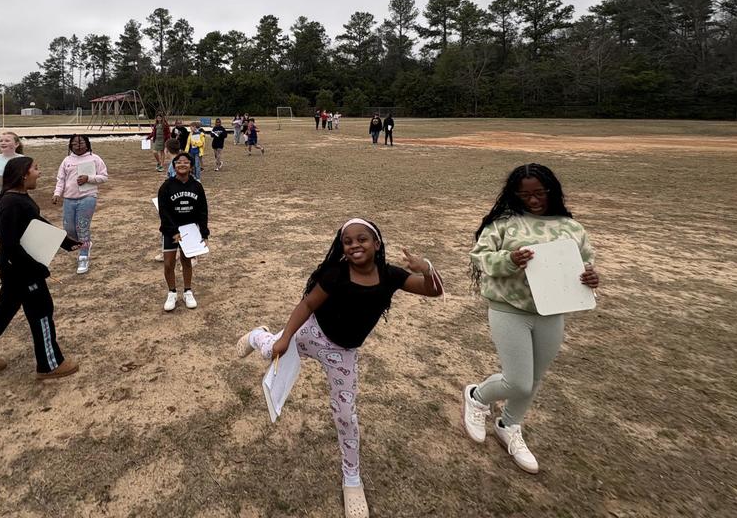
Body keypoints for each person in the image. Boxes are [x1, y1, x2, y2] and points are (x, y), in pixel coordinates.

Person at [236, 219, 443, 518]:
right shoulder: (335, 275)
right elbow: (307, 306)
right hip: (312, 335)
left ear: (377, 244)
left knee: (346, 414)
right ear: (342, 248)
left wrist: (427, 268)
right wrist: (287, 338)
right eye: (348, 241)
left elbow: (433, 291)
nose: (355, 245)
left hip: (343, 353)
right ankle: (259, 335)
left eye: (362, 239)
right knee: (272, 351)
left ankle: (352, 479)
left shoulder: (390, 275)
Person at [461, 163, 600, 474]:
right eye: (524, 195)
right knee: (518, 381)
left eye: (539, 193)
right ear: (514, 195)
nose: (533, 200)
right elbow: (480, 257)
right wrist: (509, 259)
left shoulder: (571, 228)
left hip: (552, 312)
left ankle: (509, 425)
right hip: (509, 308)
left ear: (552, 191)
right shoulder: (503, 224)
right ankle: (476, 396)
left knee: (535, 379)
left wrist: (590, 278)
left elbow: (585, 264)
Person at [0, 156, 81, 379]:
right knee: (41, 310)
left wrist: (65, 241)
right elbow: (10, 246)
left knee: (5, 310)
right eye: (36, 168)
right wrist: (37, 269)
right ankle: (50, 364)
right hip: (19, 268)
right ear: (23, 174)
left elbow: (36, 222)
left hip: (16, 267)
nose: (39, 172)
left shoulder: (20, 198)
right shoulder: (11, 203)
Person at [157, 152, 209, 312]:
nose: (182, 165)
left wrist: (204, 232)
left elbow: (203, 210)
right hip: (171, 230)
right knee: (168, 263)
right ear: (174, 166)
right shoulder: (167, 186)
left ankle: (188, 291)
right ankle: (172, 292)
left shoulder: (197, 186)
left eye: (186, 162)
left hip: (190, 230)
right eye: (179, 162)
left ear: (191, 166)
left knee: (187, 261)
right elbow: (163, 212)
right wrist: (173, 231)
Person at [51, 134, 109, 274]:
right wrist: (57, 193)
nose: (78, 146)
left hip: (88, 197)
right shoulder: (67, 160)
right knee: (69, 229)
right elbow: (61, 179)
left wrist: (89, 178)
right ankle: (85, 243)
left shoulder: (95, 159)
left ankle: (83, 256)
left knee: (82, 226)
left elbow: (104, 177)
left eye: (81, 143)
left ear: (87, 144)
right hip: (69, 199)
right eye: (75, 144)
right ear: (70, 145)